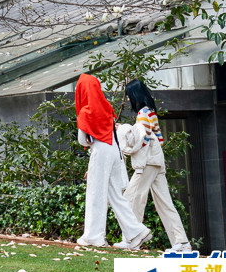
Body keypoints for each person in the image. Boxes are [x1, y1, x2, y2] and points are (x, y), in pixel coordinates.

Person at [75, 72, 152, 249]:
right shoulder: (106, 106)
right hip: (114, 149)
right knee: (115, 195)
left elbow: (82, 140)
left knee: (96, 193)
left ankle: (94, 237)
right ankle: (136, 231)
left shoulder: (86, 112)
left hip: (101, 150)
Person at [115, 78, 192, 253]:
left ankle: (132, 238)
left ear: (135, 95)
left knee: (131, 197)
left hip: (147, 162)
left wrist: (122, 130)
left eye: (128, 96)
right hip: (157, 161)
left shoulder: (143, 114)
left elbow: (142, 139)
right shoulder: (151, 112)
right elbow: (159, 139)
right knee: (165, 203)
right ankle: (181, 243)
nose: (127, 100)